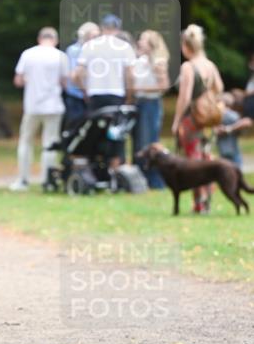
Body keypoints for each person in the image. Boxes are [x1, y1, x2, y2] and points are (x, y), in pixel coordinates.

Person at [171, 24, 224, 214]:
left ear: (186, 46)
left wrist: (176, 121)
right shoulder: (210, 65)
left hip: (192, 121)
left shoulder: (188, 67)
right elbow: (219, 88)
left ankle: (199, 203)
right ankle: (207, 201)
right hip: (208, 121)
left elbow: (184, 98)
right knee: (208, 160)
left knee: (193, 163)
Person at [9, 27, 69, 191]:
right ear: (55, 40)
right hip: (53, 106)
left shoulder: (28, 54)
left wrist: (30, 80)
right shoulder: (60, 56)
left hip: (32, 105)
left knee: (26, 141)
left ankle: (23, 180)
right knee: (50, 143)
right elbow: (65, 82)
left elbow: (18, 80)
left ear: (39, 38)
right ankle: (47, 179)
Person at [74, 14, 136, 168]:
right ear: (118, 29)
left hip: (95, 95)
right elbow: (130, 75)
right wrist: (129, 95)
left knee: (94, 132)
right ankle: (115, 170)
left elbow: (76, 74)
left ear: (102, 28)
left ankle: (93, 167)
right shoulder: (124, 47)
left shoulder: (89, 46)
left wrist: (84, 91)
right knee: (116, 134)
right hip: (116, 95)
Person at [132, 29, 170, 188]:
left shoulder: (158, 63)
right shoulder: (140, 61)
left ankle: (154, 180)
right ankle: (139, 179)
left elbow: (164, 86)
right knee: (138, 142)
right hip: (139, 103)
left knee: (148, 143)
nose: (139, 42)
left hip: (150, 105)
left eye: (143, 40)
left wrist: (140, 90)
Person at [64, 22, 99, 128]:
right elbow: (75, 75)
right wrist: (85, 92)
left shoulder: (95, 50)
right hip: (76, 95)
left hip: (89, 94)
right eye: (94, 36)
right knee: (76, 125)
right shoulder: (74, 50)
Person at [214, 92, 252, 169]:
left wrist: (226, 129)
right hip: (229, 150)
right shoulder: (232, 115)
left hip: (228, 151)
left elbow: (246, 122)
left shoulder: (231, 115)